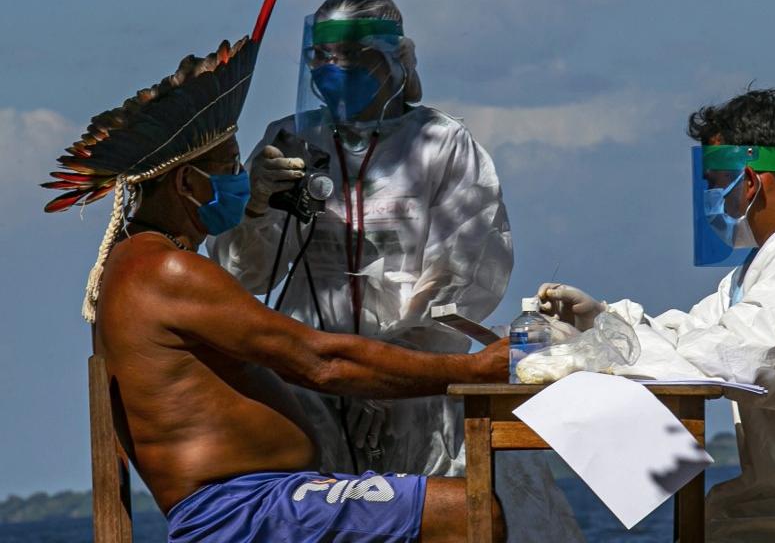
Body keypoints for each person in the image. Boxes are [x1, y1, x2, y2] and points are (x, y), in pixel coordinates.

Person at [43, 36, 508, 542]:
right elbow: (320, 361)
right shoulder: (165, 270)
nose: (241, 179)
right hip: (240, 510)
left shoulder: (145, 262)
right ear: (186, 184)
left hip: (265, 498)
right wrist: (471, 370)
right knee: (468, 510)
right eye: (229, 165)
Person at [210, 0, 584, 541]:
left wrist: (387, 375)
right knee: (328, 520)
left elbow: (463, 274)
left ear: (393, 60)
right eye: (321, 58)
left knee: (438, 513)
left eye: (350, 58)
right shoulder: (290, 139)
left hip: (421, 387)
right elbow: (245, 276)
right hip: (310, 380)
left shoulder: (442, 143)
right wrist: (257, 203)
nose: (331, 71)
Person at [537, 89, 775, 542]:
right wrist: (600, 320)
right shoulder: (766, 264)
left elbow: (741, 357)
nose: (710, 196)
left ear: (750, 182)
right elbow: (696, 332)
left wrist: (609, 347)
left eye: (714, 179)